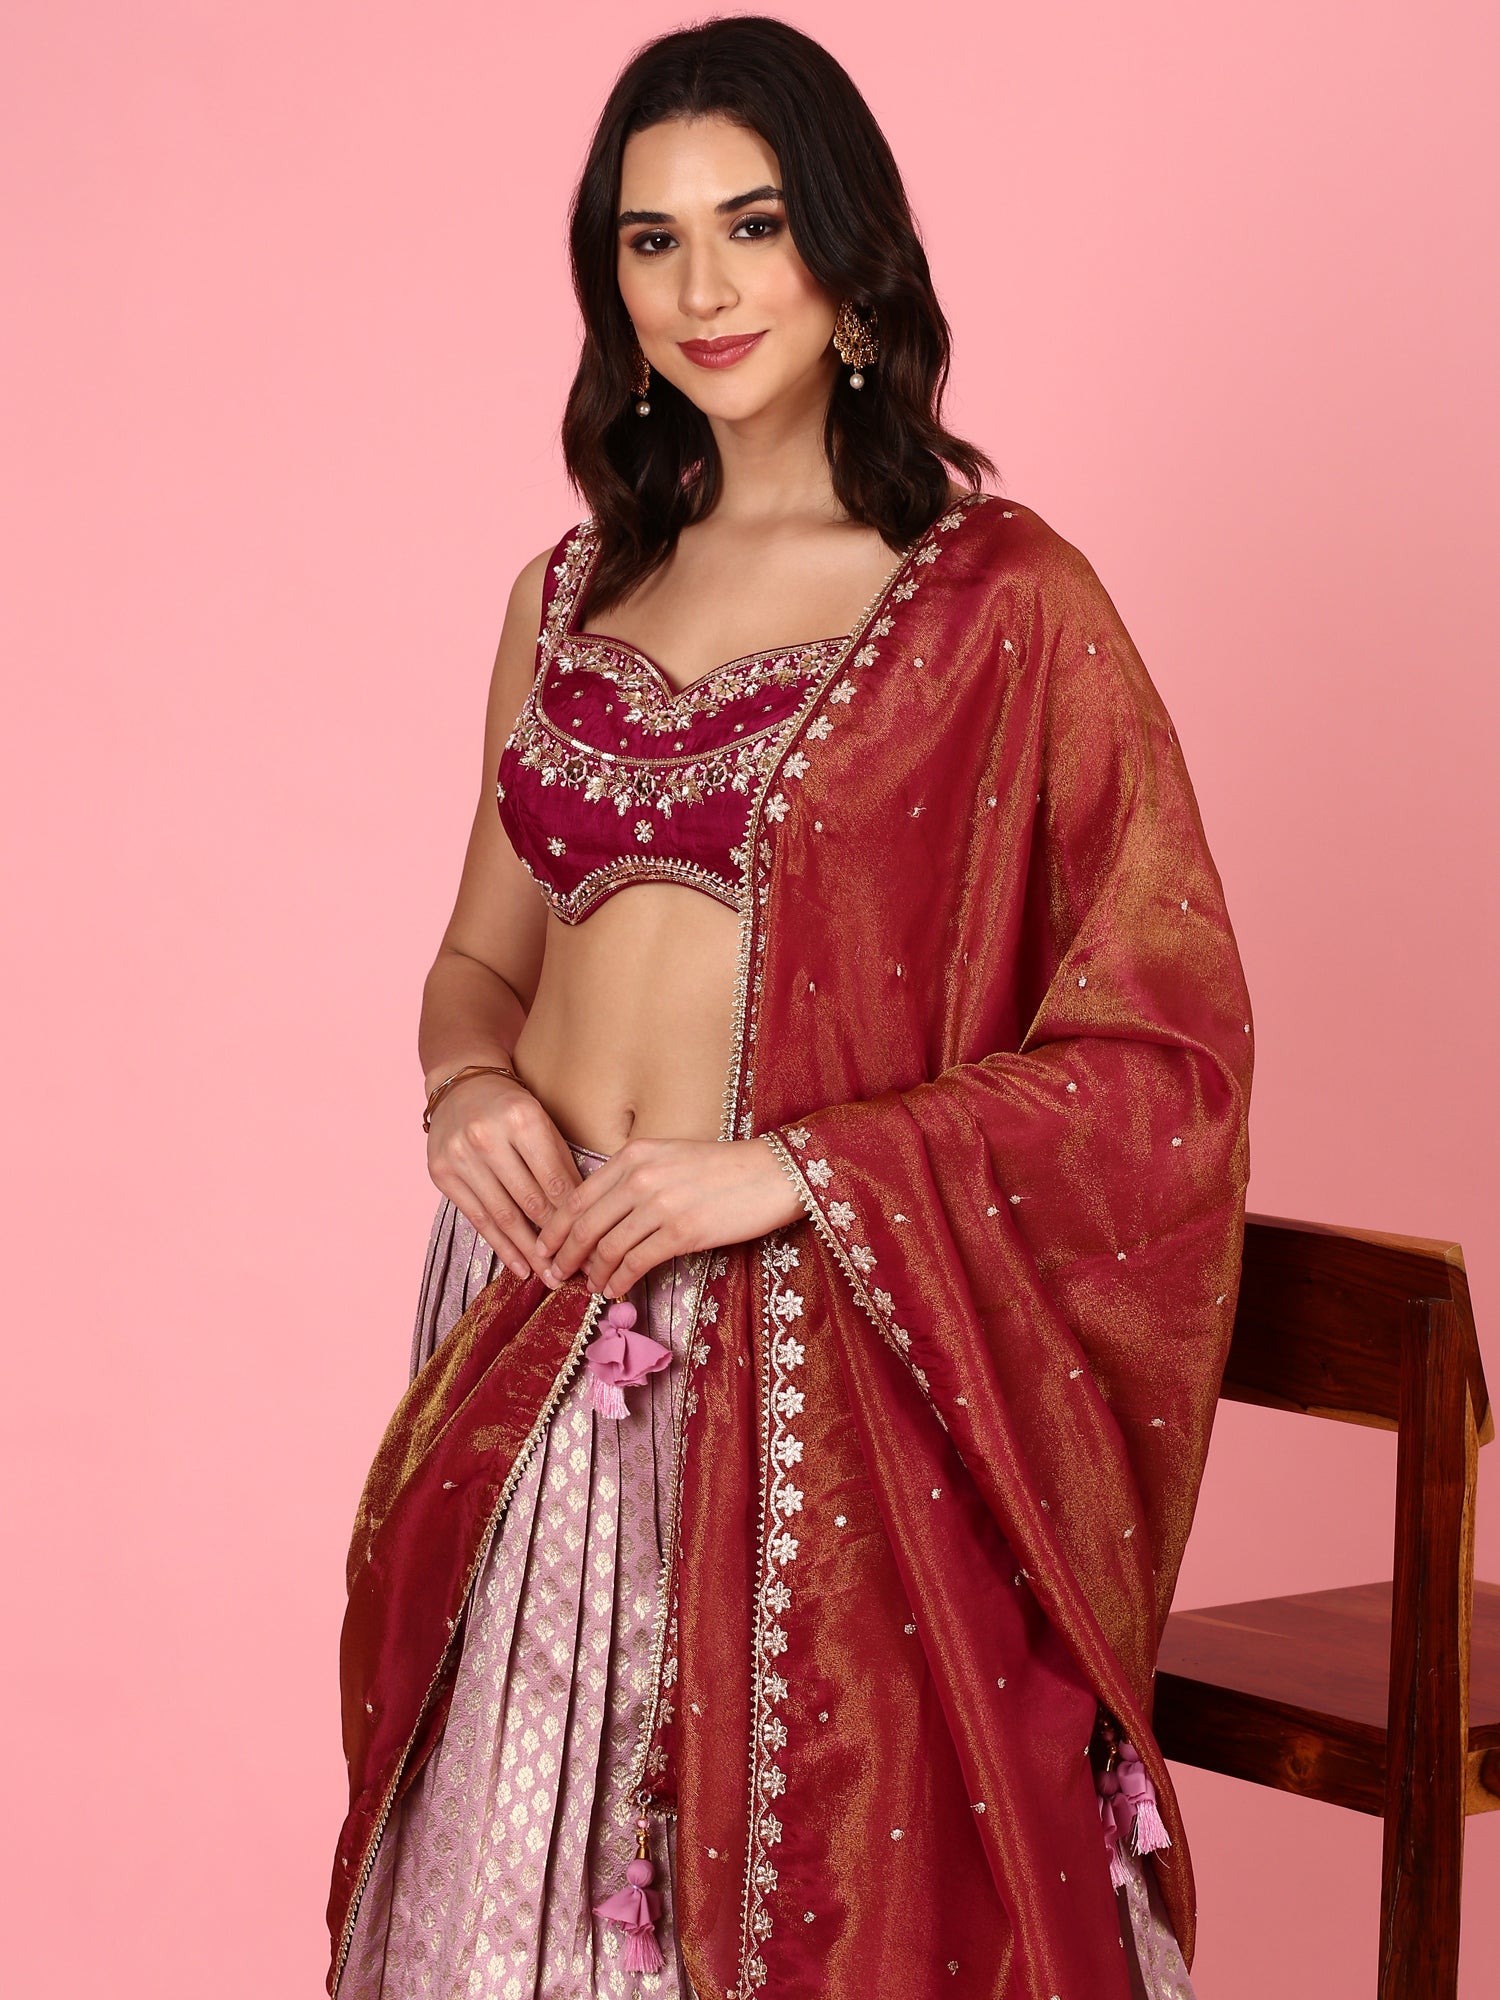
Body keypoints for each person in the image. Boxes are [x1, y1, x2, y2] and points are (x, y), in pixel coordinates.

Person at [328, 18, 1252, 2000]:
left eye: (752, 225)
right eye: (651, 240)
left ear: (850, 252)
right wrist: (463, 1085)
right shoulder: (567, 594)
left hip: (819, 1336)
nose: (705, 287)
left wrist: (800, 1170)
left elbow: (1160, 1055)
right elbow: (477, 962)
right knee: (508, 1917)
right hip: (539, 1321)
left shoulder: (997, 602)